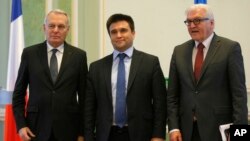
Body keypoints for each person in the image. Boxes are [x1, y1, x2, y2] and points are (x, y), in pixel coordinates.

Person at [167, 4, 248, 141]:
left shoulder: (230, 48)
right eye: (188, 22)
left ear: (212, 23)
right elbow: (172, 96)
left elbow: (239, 95)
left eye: (197, 21)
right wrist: (173, 127)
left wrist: (240, 134)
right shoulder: (179, 52)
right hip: (186, 131)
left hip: (219, 130)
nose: (192, 25)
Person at [84, 13, 167, 141]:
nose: (118, 35)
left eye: (123, 30)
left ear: (133, 33)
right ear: (110, 36)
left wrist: (158, 135)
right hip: (106, 135)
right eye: (114, 32)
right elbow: (89, 108)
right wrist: (88, 137)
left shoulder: (150, 63)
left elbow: (160, 103)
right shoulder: (96, 68)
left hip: (141, 134)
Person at [12, 9, 88, 141]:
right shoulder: (29, 54)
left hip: (69, 130)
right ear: (44, 28)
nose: (56, 30)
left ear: (67, 30)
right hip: (34, 129)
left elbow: (85, 98)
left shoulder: (79, 56)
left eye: (61, 26)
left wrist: (82, 133)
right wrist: (21, 125)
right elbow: (18, 93)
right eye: (51, 26)